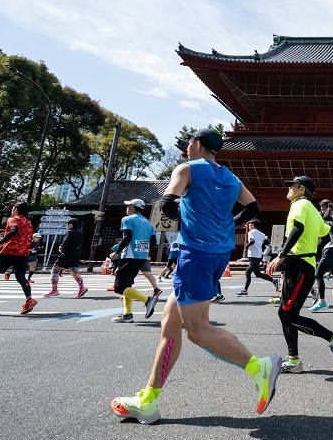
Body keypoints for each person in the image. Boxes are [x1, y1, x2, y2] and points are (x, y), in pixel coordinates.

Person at [111, 128, 280, 424]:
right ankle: (148, 400)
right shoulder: (231, 177)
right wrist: (226, 223)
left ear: (198, 145)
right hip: (217, 253)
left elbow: (165, 203)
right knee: (169, 324)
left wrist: (192, 221)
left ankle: (258, 367)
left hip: (195, 253)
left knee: (198, 330)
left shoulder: (187, 168)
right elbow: (253, 207)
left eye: (189, 143)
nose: (187, 148)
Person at [265, 175, 333, 373]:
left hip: (300, 264)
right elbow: (325, 233)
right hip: (303, 263)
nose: (288, 189)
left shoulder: (299, 204)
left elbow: (298, 228)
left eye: (292, 186)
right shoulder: (313, 211)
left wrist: (282, 255)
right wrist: (311, 250)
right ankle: (293, 360)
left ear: (301, 189)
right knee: (286, 313)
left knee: (288, 314)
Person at [110, 199, 161, 323]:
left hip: (129, 256)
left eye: (128, 206)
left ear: (133, 206)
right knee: (127, 285)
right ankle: (127, 315)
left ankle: (147, 300)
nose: (126, 208)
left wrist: (116, 252)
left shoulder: (128, 219)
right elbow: (154, 242)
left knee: (119, 288)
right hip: (141, 257)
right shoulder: (149, 224)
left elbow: (127, 237)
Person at [0, 202, 38, 314]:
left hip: (9, 251)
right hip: (23, 254)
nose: (12, 211)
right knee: (20, 277)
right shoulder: (28, 223)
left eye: (13, 208)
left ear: (16, 209)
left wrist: (0, 243)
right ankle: (29, 299)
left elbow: (14, 230)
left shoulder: (13, 219)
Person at [42, 218, 87, 298]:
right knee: (73, 270)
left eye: (67, 224)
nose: (66, 225)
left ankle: (54, 290)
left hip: (67, 253)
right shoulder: (80, 233)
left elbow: (66, 240)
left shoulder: (69, 232)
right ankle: (81, 287)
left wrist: (61, 247)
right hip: (76, 253)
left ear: (71, 224)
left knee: (55, 269)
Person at [236, 220, 277, 296]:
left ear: (252, 225)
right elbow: (267, 243)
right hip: (258, 255)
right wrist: (260, 247)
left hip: (253, 255)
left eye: (249, 225)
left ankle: (274, 281)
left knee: (255, 274)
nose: (248, 226)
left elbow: (252, 241)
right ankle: (245, 290)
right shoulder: (261, 234)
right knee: (251, 273)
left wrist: (247, 245)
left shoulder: (251, 233)